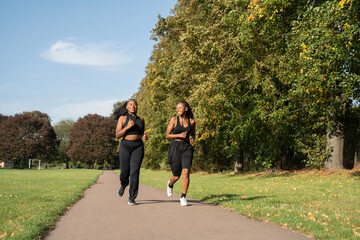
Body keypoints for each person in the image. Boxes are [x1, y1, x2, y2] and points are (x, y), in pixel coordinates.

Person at [115, 99, 147, 206]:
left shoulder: (141, 119)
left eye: (135, 105)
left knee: (135, 172)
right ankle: (124, 185)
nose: (133, 106)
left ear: (137, 107)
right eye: (130, 105)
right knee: (124, 172)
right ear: (127, 107)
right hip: (125, 146)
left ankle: (132, 198)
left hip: (138, 146)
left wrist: (144, 136)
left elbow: (142, 132)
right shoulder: (122, 118)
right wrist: (128, 127)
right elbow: (117, 135)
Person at [165, 101, 195, 206]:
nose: (178, 109)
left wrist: (192, 138)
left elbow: (193, 133)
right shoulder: (174, 120)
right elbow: (167, 135)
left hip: (187, 148)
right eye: (177, 108)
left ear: (186, 109)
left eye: (180, 107)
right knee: (176, 176)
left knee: (186, 172)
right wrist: (179, 135)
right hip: (175, 147)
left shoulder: (191, 121)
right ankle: (170, 183)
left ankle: (183, 197)